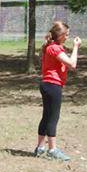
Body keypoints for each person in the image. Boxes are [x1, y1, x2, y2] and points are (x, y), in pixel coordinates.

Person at [34, 21, 81, 161]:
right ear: (59, 35)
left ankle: (40, 147)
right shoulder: (54, 48)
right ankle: (52, 150)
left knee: (47, 116)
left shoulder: (52, 47)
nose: (67, 37)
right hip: (52, 85)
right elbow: (72, 64)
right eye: (66, 35)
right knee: (53, 117)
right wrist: (76, 47)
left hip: (48, 85)